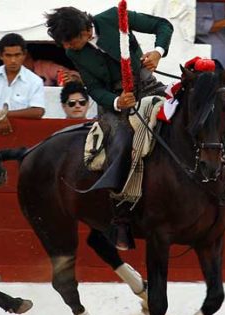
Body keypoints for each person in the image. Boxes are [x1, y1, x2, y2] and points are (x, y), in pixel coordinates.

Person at [45, 6, 173, 249]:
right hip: (115, 103)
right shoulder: (74, 53)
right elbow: (93, 88)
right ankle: (121, 216)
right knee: (121, 142)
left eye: (70, 41)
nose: (67, 48)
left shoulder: (114, 17)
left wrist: (158, 52)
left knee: (188, 119)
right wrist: (116, 101)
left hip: (147, 86)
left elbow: (163, 25)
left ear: (84, 31)